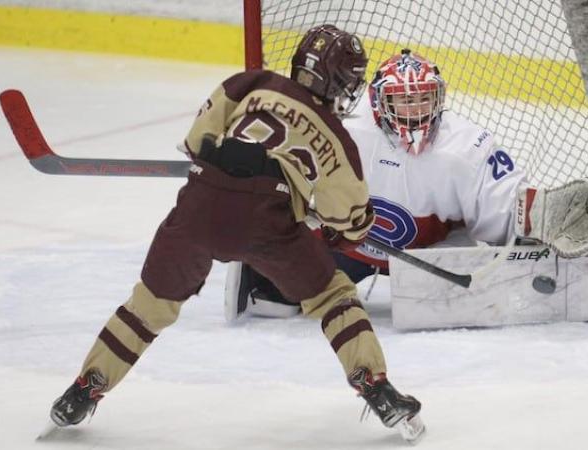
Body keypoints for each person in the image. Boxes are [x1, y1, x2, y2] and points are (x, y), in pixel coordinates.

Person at [48, 26, 424, 443]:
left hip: (199, 203)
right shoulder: (336, 136)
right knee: (334, 296)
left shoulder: (252, 82)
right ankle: (376, 387)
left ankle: (83, 389)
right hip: (267, 221)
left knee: (149, 305)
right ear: (341, 81)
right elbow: (352, 223)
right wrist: (317, 217)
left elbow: (196, 143)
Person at [226, 49, 588, 322]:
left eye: (423, 101)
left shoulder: (464, 146)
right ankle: (263, 272)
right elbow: (290, 166)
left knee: (462, 308)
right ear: (380, 104)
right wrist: (255, 173)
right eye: (403, 102)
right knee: (278, 294)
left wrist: (536, 213)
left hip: (433, 258)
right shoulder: (347, 132)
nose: (414, 113)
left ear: (440, 99)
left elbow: (502, 203)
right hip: (348, 248)